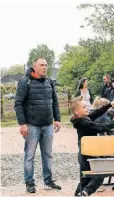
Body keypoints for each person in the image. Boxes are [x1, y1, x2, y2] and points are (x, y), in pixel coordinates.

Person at [14, 57, 62, 193]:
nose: (45, 67)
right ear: (34, 67)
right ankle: (29, 182)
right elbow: (18, 104)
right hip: (32, 126)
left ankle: (48, 181)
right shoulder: (25, 82)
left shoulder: (49, 82)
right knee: (29, 156)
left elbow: (55, 101)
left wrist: (57, 119)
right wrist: (22, 124)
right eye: (42, 65)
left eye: (46, 65)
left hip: (48, 125)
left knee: (48, 154)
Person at [70, 96, 114, 196]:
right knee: (99, 176)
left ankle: (79, 194)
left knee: (86, 178)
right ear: (77, 112)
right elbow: (100, 127)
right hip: (89, 155)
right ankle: (86, 192)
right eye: (84, 107)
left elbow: (95, 113)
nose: (87, 108)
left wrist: (109, 105)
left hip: (84, 155)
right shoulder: (84, 122)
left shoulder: (83, 119)